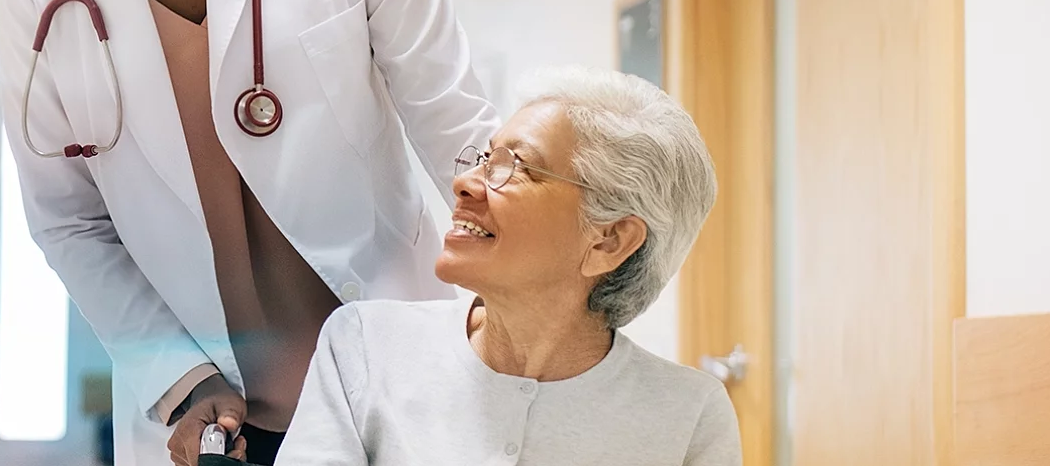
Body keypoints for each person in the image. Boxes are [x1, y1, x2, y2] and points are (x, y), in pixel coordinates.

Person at [0, 0, 497, 463]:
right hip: (208, 419)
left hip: (393, 374)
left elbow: (451, 115)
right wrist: (177, 380)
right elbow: (67, 219)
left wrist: (532, 278)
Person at [276, 67, 740, 465]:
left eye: (517, 166)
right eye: (484, 158)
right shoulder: (365, 345)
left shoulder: (688, 415)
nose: (464, 182)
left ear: (609, 240)